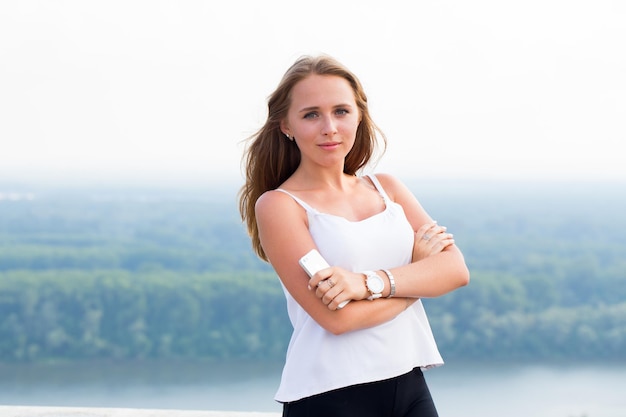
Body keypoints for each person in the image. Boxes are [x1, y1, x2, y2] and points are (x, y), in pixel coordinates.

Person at [238, 54, 470, 417]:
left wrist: (367, 284)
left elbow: (456, 271)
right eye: (311, 114)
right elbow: (337, 320)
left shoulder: (388, 189)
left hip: (409, 383)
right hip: (329, 396)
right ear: (286, 125)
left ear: (359, 115)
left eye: (341, 111)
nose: (329, 126)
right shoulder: (280, 206)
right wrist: (420, 277)